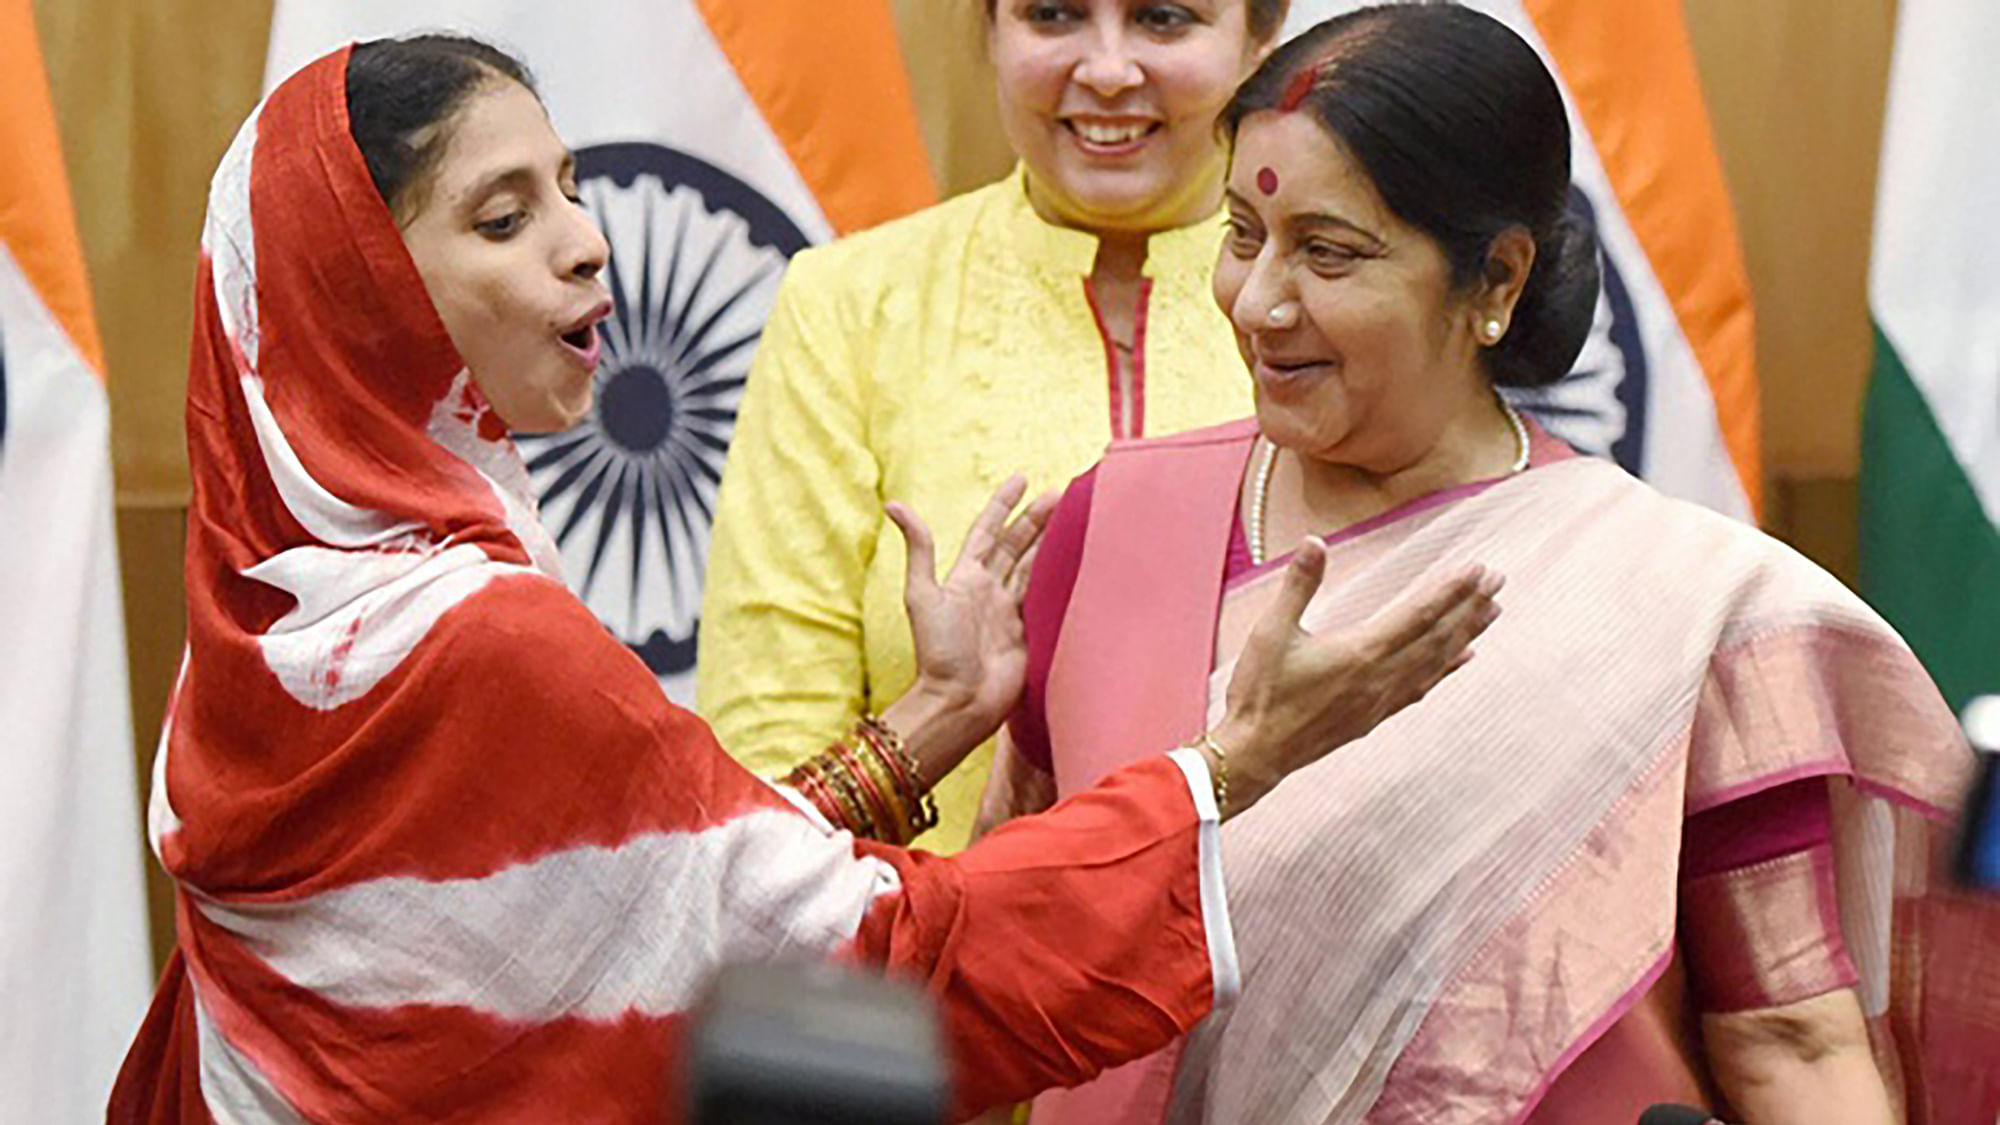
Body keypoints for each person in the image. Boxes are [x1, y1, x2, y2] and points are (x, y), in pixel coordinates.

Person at [105, 35, 1503, 1124]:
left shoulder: (284, 613)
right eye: (500, 218)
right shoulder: (472, 642)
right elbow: (857, 961)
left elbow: (656, 892)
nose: (587, 242)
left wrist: (934, 721)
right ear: (363, 294)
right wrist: (1237, 765)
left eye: (572, 190)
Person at [991, 7, 1997, 1125]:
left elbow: (1789, 1038)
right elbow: (999, 956)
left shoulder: (1667, 598)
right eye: (1240, 234)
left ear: (1496, 281)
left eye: (1326, 252)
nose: (1259, 302)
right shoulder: (1112, 524)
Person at [699, 0, 1292, 852]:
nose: (1109, 69)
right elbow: (765, 765)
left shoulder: (1336, 307)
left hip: (1298, 954)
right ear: (988, 31)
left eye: (1163, 19)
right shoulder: (851, 304)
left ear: (1260, 38)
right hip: (926, 959)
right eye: (1055, 15)